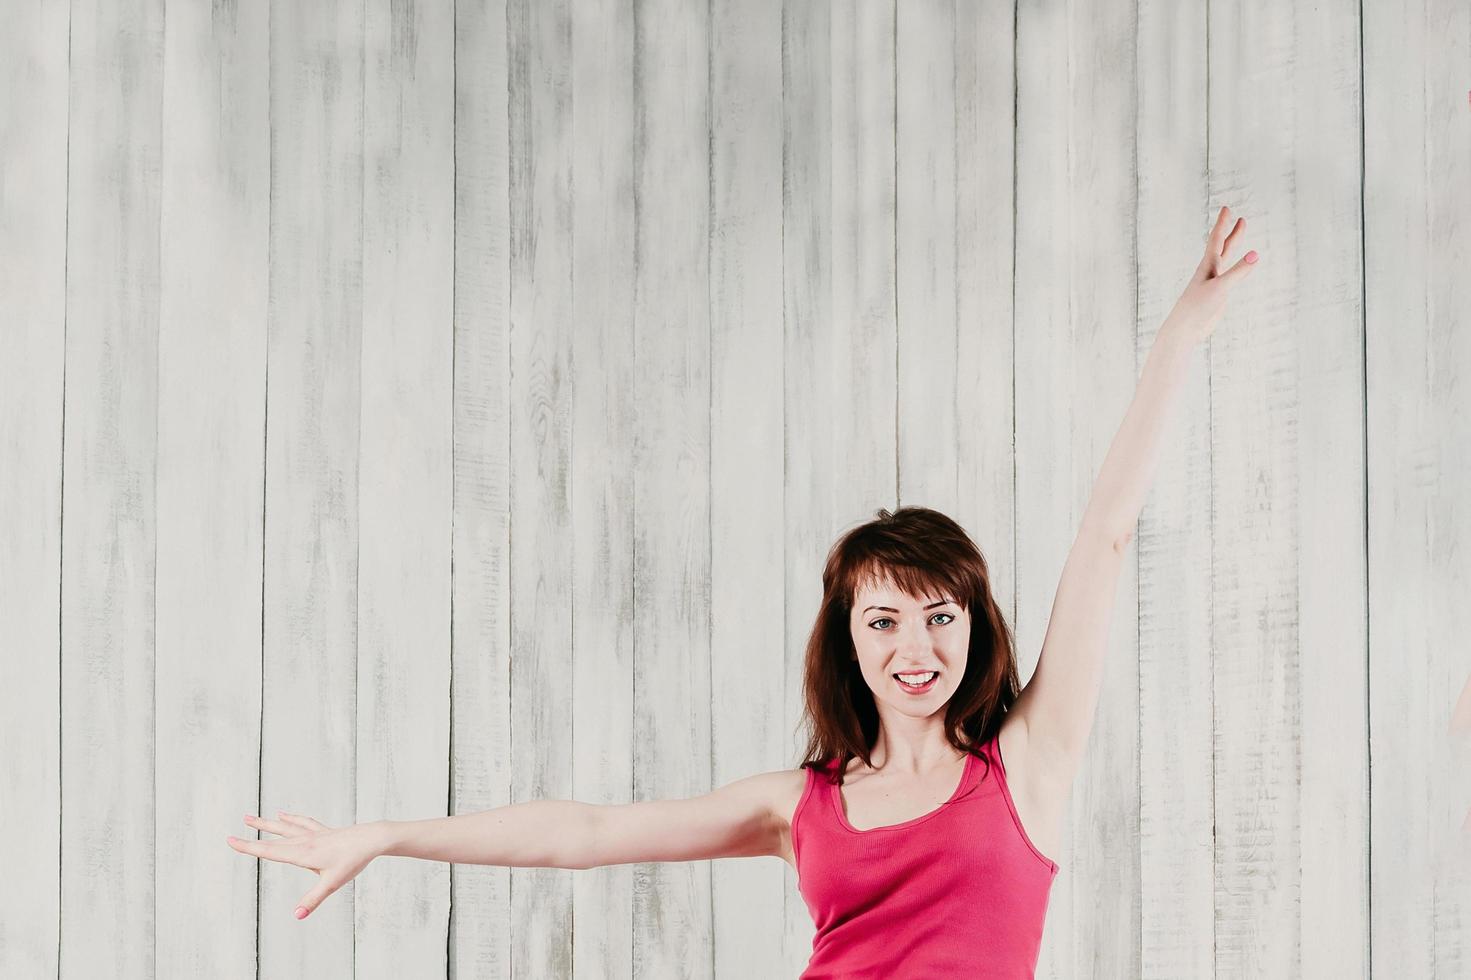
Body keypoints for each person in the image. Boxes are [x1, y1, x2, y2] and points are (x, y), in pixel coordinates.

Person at [228, 206, 1259, 977]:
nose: (917, 644)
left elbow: (1104, 533)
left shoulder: (1024, 766)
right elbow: (585, 833)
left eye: (941, 614)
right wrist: (389, 834)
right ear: (849, 639)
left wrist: (1177, 339)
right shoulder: (795, 803)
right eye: (885, 617)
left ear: (974, 626)